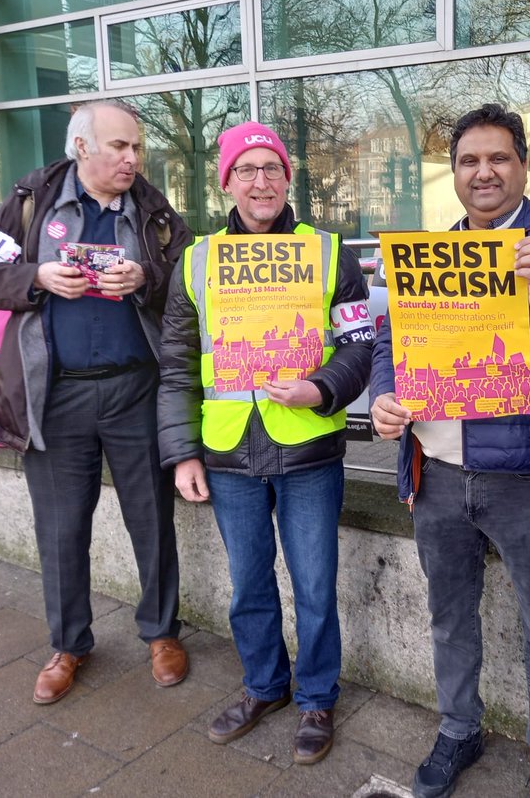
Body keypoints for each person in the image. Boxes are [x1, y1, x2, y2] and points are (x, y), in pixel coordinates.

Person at [370, 104, 530, 798]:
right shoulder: (431, 248)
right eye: (467, 161)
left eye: (498, 158)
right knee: (449, 614)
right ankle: (458, 729)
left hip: (527, 476)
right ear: (452, 173)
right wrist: (385, 397)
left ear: (522, 165)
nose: (483, 172)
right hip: (437, 471)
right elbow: (391, 345)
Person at [0, 99, 193, 704]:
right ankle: (69, 644)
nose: (133, 159)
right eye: (119, 147)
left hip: (135, 390)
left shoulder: (154, 212)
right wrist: (36, 276)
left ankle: (162, 634)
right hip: (54, 397)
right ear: (82, 147)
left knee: (152, 521)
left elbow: (193, 285)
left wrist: (147, 279)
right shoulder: (31, 202)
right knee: (61, 530)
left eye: (137, 147)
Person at [157, 121, 373, 765]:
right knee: (248, 585)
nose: (261, 181)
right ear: (226, 181)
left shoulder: (329, 252)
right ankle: (263, 687)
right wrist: (182, 451)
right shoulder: (195, 261)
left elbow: (361, 344)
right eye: (246, 169)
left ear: (288, 179)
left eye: (272, 169)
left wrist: (322, 388)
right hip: (226, 454)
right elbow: (175, 363)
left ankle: (315, 698)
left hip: (307, 451)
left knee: (313, 584)